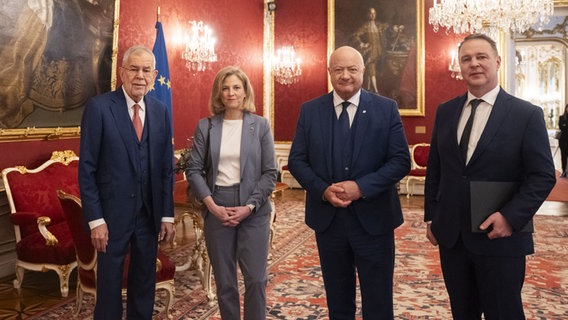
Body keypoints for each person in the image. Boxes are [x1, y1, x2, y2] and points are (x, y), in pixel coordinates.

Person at [424, 33, 556, 319]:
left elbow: (543, 176)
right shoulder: (446, 111)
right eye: (466, 59)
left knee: (504, 312)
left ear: (497, 61)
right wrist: (432, 217)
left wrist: (510, 217)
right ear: (460, 66)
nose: (474, 64)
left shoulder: (526, 114)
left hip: (500, 237)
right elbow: (436, 169)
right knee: (463, 312)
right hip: (453, 239)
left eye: (482, 57)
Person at [288, 46, 410, 319]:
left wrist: (361, 188)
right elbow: (297, 160)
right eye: (339, 69)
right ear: (329, 72)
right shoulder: (310, 111)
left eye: (352, 69)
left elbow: (401, 161)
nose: (345, 76)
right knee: (338, 302)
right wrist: (322, 190)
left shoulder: (386, 109)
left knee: (378, 303)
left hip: (374, 221)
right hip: (328, 222)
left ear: (363, 72)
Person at [78, 45, 175, 319]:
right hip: (110, 218)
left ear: (155, 76)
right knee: (108, 286)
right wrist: (96, 220)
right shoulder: (99, 108)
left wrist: (167, 214)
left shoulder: (160, 111)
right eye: (134, 69)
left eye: (146, 70)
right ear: (122, 72)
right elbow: (87, 169)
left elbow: (167, 168)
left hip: (149, 216)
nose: (140, 76)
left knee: (144, 284)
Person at [186, 66, 277, 320]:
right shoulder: (206, 126)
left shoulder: (260, 126)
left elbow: (270, 173)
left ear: (245, 90)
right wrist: (212, 206)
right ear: (218, 92)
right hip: (217, 206)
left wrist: (250, 206)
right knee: (225, 282)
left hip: (253, 209)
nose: (231, 93)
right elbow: (194, 170)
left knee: (256, 279)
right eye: (225, 88)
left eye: (236, 87)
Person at [351, 7, 388, 93]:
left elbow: (386, 26)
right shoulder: (366, 26)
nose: (372, 15)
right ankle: (376, 91)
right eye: (371, 13)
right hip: (371, 52)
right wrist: (362, 43)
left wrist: (396, 27)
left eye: (374, 13)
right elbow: (355, 35)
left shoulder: (378, 25)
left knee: (370, 69)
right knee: (371, 70)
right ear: (368, 15)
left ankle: (367, 89)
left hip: (378, 51)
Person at [559, 104, 568, 177]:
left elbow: (564, 127)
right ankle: (563, 171)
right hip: (563, 141)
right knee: (563, 157)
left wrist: (565, 126)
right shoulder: (561, 117)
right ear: (566, 109)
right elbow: (561, 127)